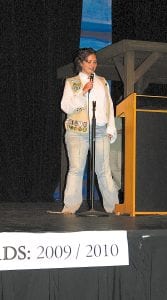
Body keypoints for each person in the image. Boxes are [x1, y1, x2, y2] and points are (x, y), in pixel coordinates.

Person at [60, 47, 119, 214]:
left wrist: (110, 128)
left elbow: (109, 106)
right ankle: (70, 207)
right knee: (76, 169)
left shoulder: (102, 81)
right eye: (89, 62)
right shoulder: (73, 82)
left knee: (104, 170)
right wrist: (83, 91)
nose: (93, 65)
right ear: (81, 62)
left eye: (95, 62)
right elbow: (65, 106)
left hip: (99, 130)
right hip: (77, 131)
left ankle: (114, 207)